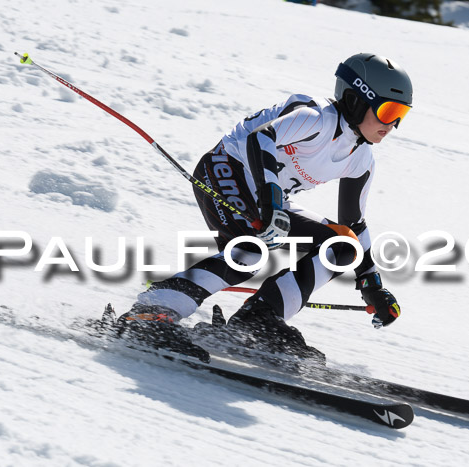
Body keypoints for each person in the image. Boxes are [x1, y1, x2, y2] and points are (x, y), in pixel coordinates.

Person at [115, 53, 412, 362]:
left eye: (401, 114)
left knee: (343, 244)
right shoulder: (316, 117)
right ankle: (153, 311)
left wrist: (372, 284)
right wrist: (271, 202)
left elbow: (355, 223)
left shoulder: (360, 159)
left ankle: (260, 319)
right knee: (250, 251)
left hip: (267, 199)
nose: (393, 124)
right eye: (388, 110)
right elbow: (261, 138)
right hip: (224, 169)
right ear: (355, 100)